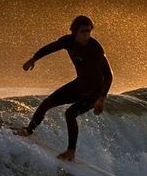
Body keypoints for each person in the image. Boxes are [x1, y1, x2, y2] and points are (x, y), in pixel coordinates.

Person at [16, 15, 113, 160]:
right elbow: (51, 47)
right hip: (79, 85)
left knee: (70, 114)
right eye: (83, 32)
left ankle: (71, 152)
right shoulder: (68, 41)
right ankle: (29, 130)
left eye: (89, 31)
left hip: (95, 91)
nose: (87, 35)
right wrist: (34, 58)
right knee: (47, 102)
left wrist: (101, 98)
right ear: (75, 32)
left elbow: (109, 75)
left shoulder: (95, 48)